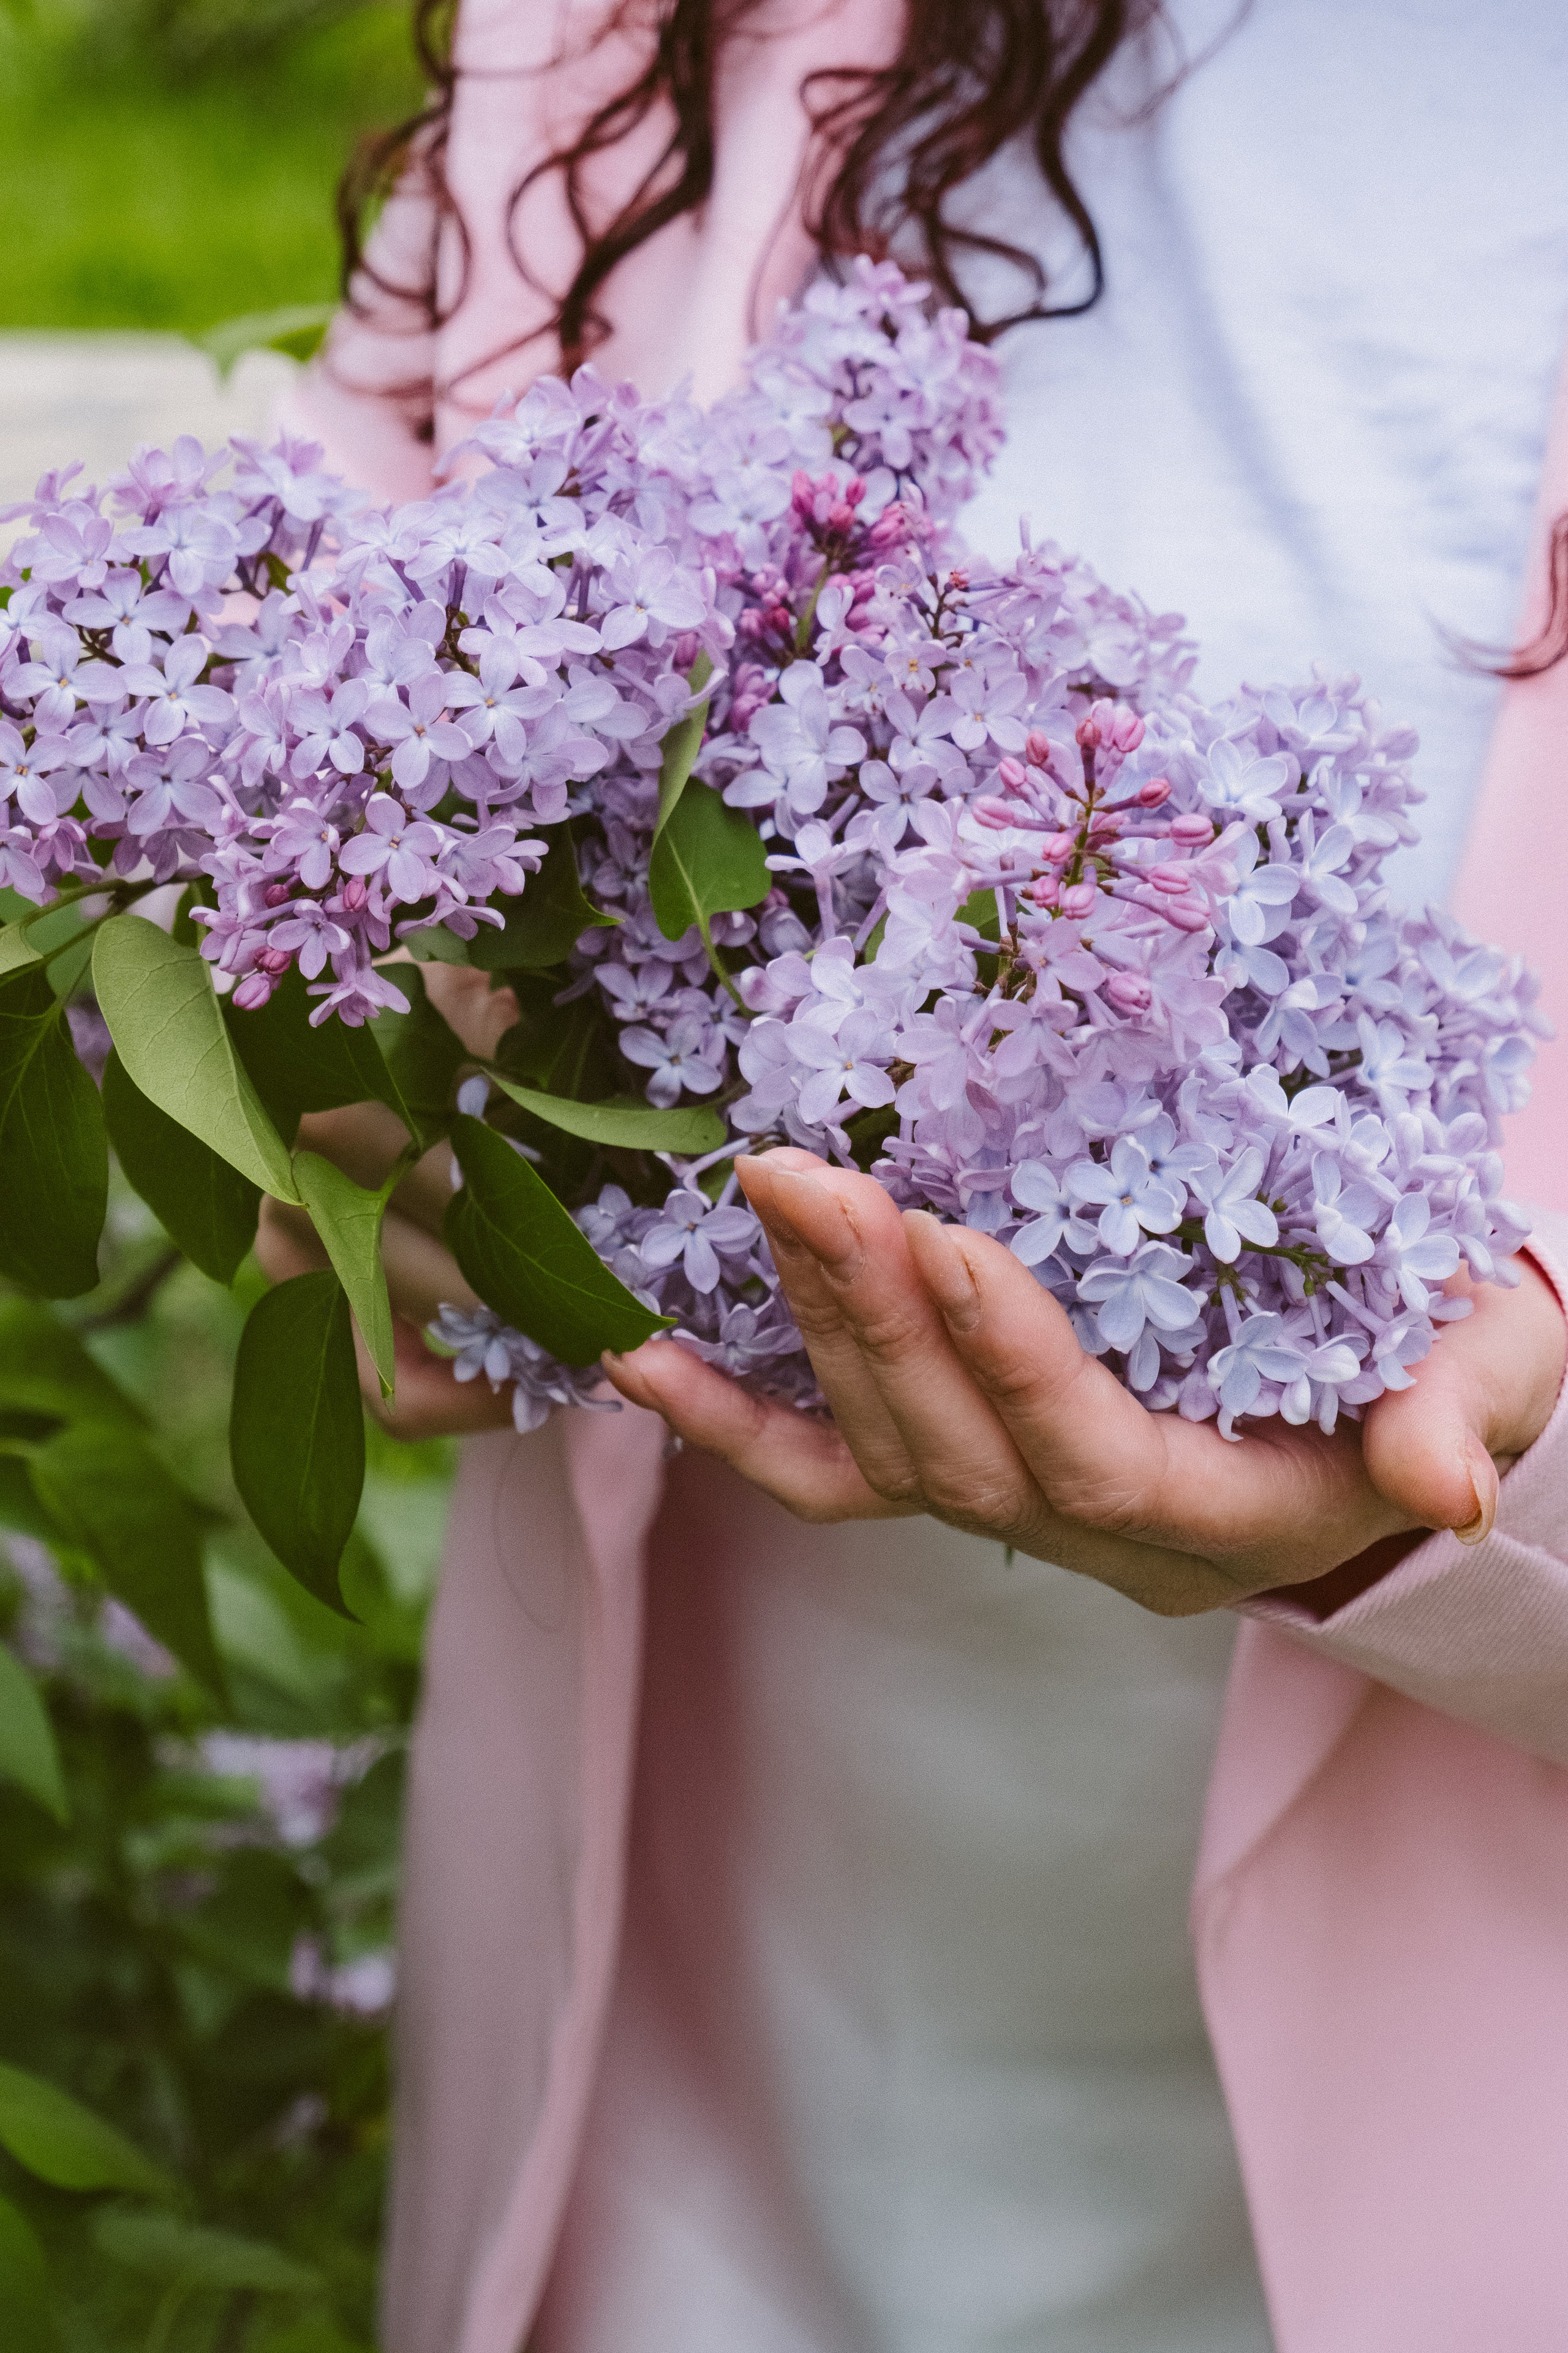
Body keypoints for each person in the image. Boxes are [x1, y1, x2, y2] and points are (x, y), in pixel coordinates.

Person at [260, 4, 1568, 2348]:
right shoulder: (634, 37)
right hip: (670, 2156)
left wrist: (1478, 1495)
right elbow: (320, 656)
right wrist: (356, 1105)